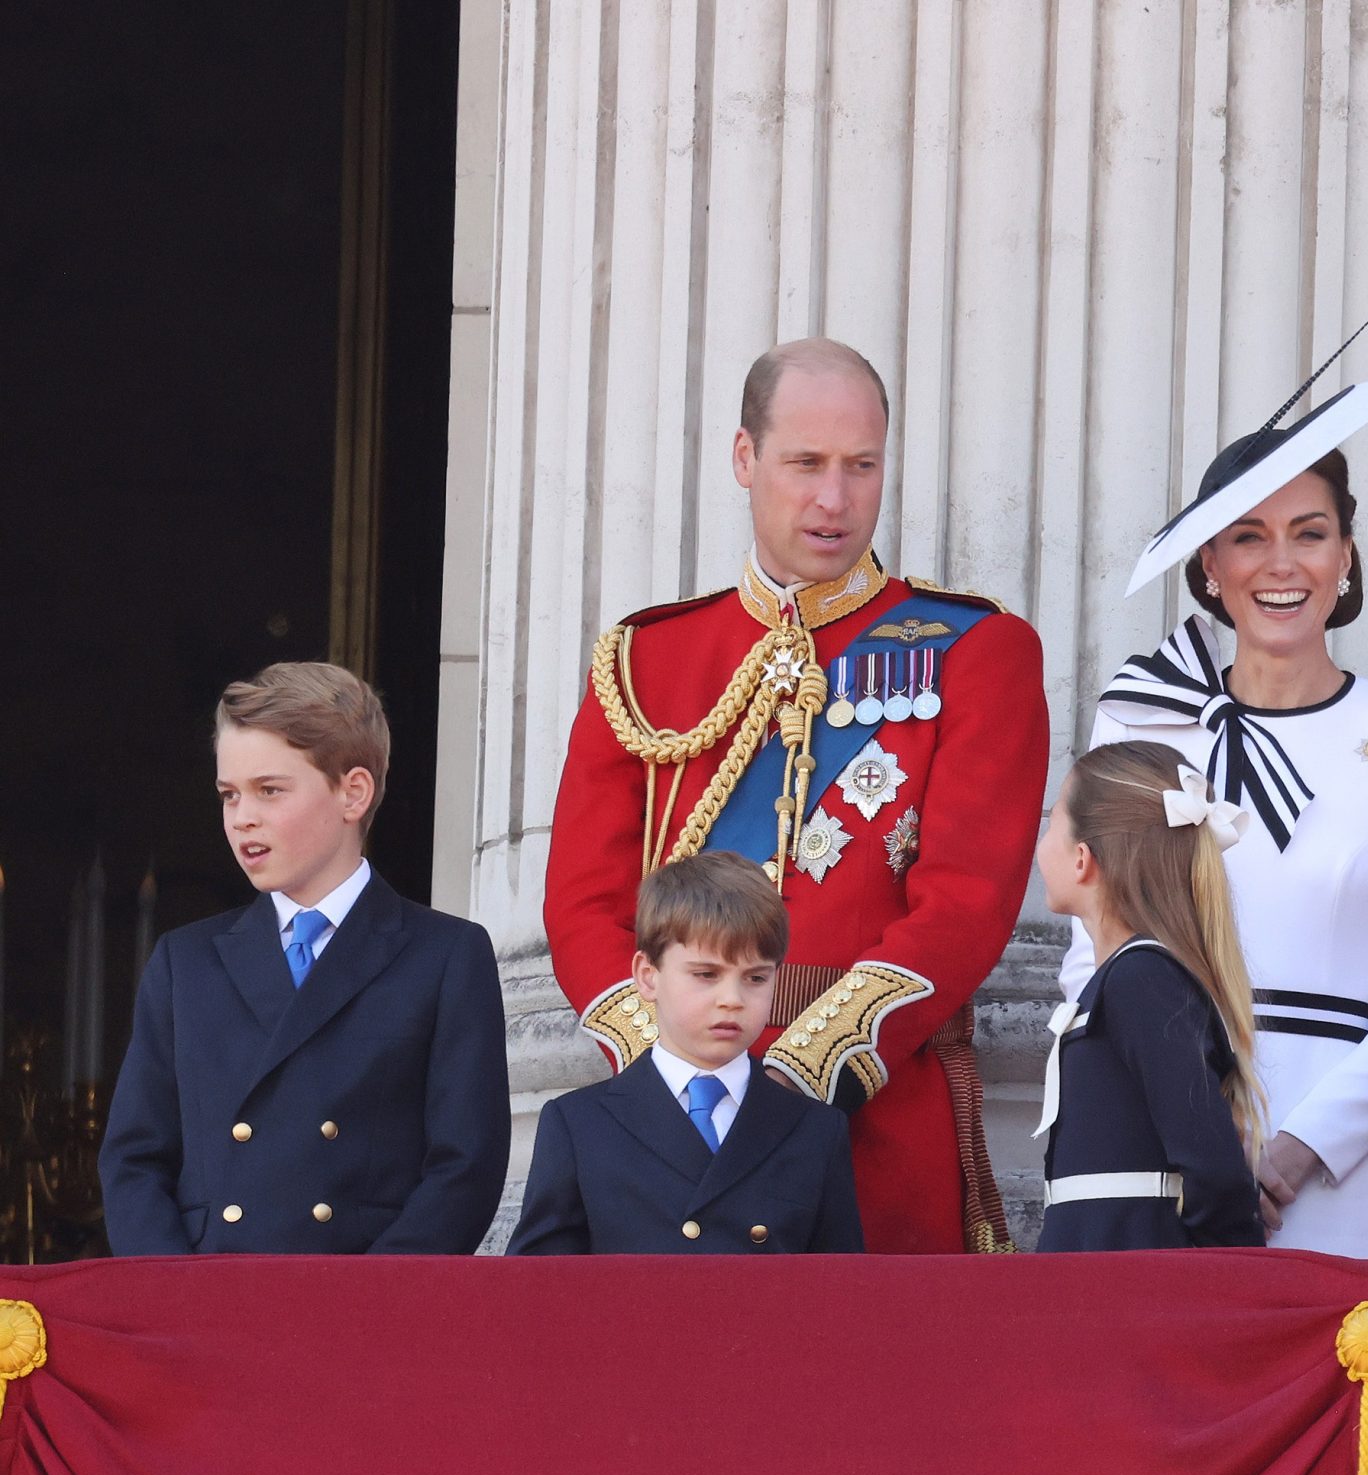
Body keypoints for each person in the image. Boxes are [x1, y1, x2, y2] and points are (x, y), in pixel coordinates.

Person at [544, 338, 1048, 1254]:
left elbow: (966, 906)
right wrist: (673, 1070)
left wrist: (801, 1074)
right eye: (806, 464)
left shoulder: (976, 651)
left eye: (862, 466)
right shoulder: (644, 660)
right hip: (669, 1127)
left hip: (872, 1119)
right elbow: (583, 902)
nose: (834, 500)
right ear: (745, 458)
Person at [1072, 371, 1368, 1258]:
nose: (1281, 564)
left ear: (1347, 555)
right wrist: (1183, 1123)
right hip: (1156, 1153)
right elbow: (1087, 959)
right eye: (1248, 537)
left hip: (1332, 1169)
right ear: (1210, 566)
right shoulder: (1140, 721)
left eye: (1310, 533)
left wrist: (1297, 1151)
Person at [100, 663, 509, 1254]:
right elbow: (134, 1161)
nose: (242, 816)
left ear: (353, 793)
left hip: (363, 1297)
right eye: (229, 794)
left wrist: (368, 1298)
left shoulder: (445, 956)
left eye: (269, 790)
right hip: (208, 1295)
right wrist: (175, 1293)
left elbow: (464, 1167)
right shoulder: (184, 963)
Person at [509, 852, 860, 1254]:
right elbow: (540, 1282)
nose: (732, 999)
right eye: (706, 974)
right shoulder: (579, 1124)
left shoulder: (814, 1129)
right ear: (648, 976)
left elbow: (839, 1283)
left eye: (755, 978)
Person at [1029, 743, 1266, 1251]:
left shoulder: (1142, 978)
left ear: (1082, 859)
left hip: (1132, 1274)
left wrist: (1232, 1278)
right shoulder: (1127, 976)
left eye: (1051, 824)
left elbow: (1214, 1169)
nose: (1040, 844)